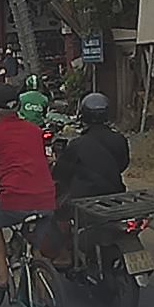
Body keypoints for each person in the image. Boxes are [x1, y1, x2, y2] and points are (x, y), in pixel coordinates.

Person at [0, 84, 57, 293]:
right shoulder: (35, 131)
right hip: (47, 199)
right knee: (36, 250)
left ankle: (2, 275)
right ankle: (45, 295)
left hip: (14, 198)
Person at [43, 92, 129, 268]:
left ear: (84, 115)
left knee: (58, 211)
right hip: (115, 194)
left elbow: (61, 174)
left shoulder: (77, 144)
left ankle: (65, 255)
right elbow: (122, 164)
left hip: (85, 200)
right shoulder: (119, 139)